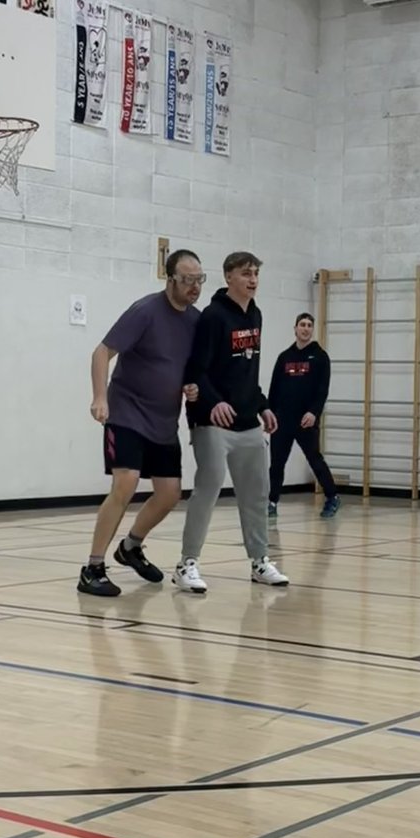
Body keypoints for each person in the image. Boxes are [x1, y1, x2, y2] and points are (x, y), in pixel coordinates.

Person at [77, 249, 204, 597]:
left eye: (199, 280)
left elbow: (186, 368)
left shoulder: (195, 321)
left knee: (169, 494)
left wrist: (192, 387)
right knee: (126, 483)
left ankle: (131, 547)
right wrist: (99, 397)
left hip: (164, 420)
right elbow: (101, 352)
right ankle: (93, 567)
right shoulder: (144, 311)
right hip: (127, 413)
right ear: (170, 279)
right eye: (188, 280)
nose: (194, 287)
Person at [173, 251, 289, 593]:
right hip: (211, 419)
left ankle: (259, 561)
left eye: (255, 273)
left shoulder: (256, 315)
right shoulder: (212, 317)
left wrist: (263, 405)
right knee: (208, 489)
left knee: (256, 493)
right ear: (228, 277)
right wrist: (214, 401)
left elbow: (248, 373)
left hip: (247, 420)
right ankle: (186, 564)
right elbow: (196, 370)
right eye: (245, 273)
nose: (252, 279)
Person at [267, 312, 340, 519]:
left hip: (306, 420)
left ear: (312, 329)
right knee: (277, 463)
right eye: (302, 324)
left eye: (309, 325)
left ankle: (332, 497)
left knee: (315, 460)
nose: (305, 328)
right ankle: (272, 502)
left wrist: (313, 413)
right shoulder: (284, 357)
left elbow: (322, 390)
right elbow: (275, 389)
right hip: (283, 420)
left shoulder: (320, 357)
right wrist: (269, 415)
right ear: (295, 328)